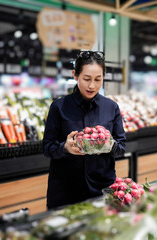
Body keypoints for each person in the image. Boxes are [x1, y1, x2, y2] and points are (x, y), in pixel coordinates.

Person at [43, 51, 126, 209]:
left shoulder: (111, 108)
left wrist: (109, 145)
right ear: (75, 75)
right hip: (65, 191)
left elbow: (121, 147)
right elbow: (47, 147)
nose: (92, 85)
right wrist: (64, 148)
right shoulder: (59, 107)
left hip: (101, 189)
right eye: (86, 79)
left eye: (98, 79)